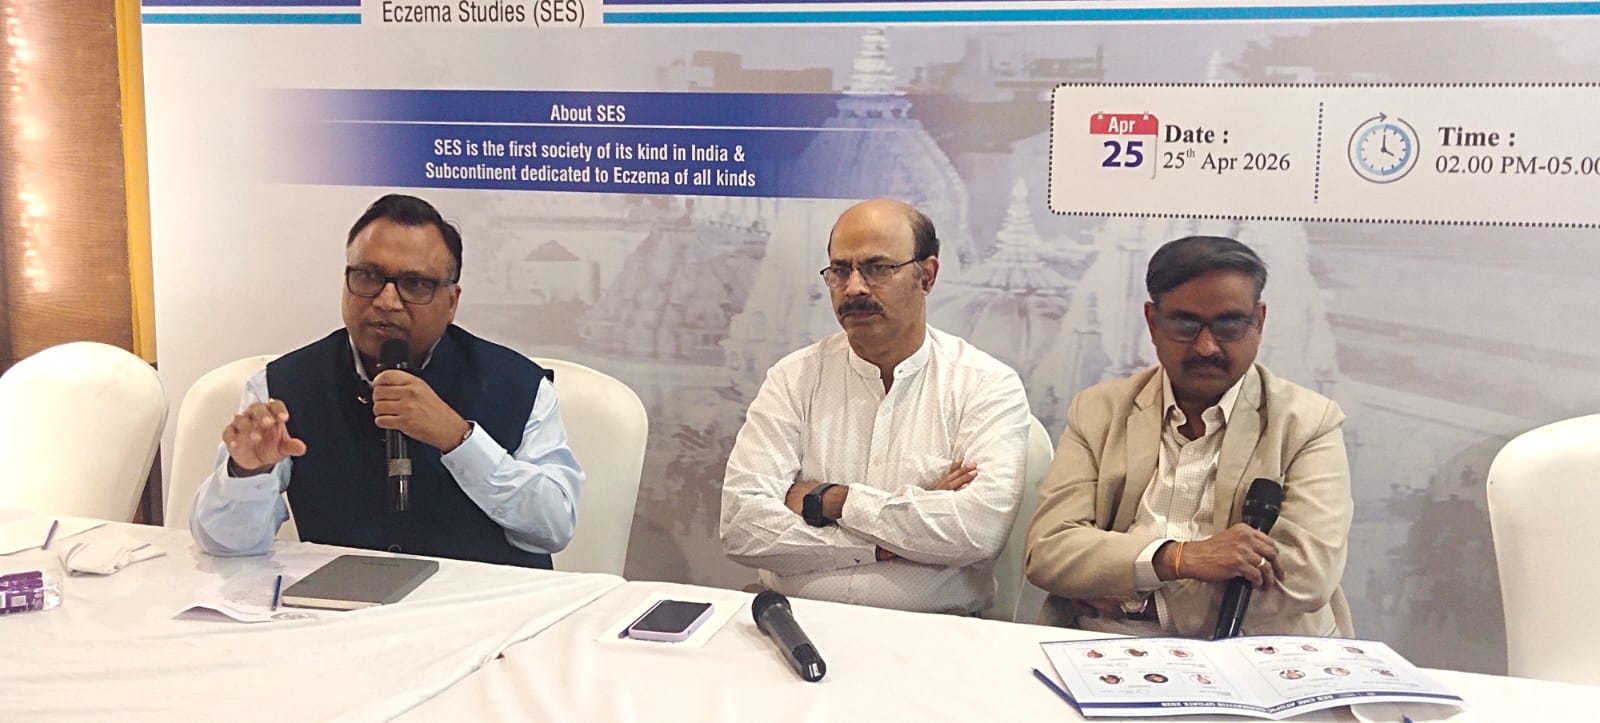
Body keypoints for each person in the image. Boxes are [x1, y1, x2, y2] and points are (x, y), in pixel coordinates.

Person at [190, 194, 584, 568]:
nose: (386, 301)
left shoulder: (519, 385)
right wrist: (248, 473)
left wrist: (458, 439)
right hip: (344, 605)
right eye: (368, 276)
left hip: (488, 606)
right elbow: (226, 546)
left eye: (415, 284)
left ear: (451, 302)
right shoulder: (282, 387)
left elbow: (555, 526)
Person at [1025, 235, 1353, 637]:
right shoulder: (1099, 411)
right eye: (1185, 324)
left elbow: (1304, 576)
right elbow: (1049, 551)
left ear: (1259, 322)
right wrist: (1180, 558)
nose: (1207, 347)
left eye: (1229, 324)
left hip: (1249, 648)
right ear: (1152, 322)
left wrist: (1139, 597)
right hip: (1103, 641)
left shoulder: (1308, 422)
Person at [720, 198, 1031, 615]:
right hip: (796, 621)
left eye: (877, 268)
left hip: (935, 632)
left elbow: (976, 529)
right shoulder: (794, 378)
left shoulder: (984, 385)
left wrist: (832, 502)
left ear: (927, 275)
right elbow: (742, 527)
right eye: (839, 271)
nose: (854, 288)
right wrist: (884, 544)